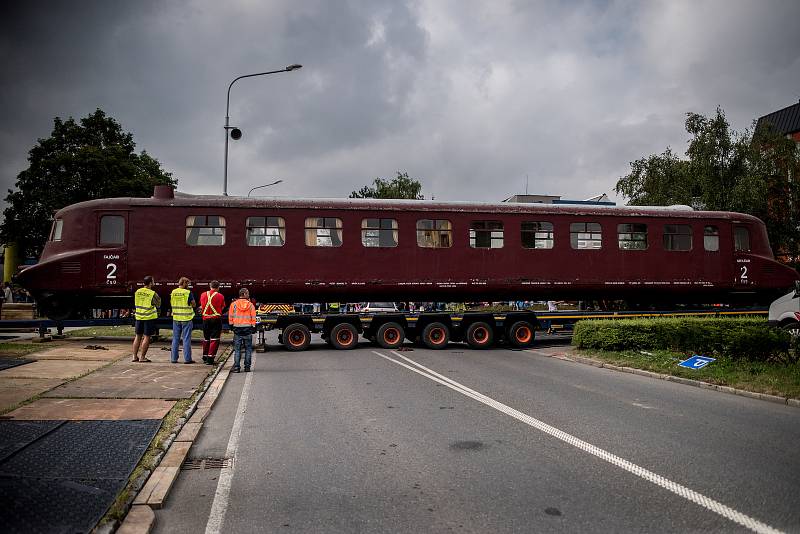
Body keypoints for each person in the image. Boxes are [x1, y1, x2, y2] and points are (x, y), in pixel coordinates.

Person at [132, 275, 160, 363]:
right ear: (150, 283)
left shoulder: (137, 292)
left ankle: (134, 356)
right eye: (153, 281)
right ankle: (142, 357)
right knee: (147, 337)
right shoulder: (152, 293)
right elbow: (158, 304)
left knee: (138, 336)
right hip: (148, 317)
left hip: (139, 317)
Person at [228, 287, 256, 373]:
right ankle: (247, 367)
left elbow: (230, 316)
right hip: (247, 329)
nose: (249, 295)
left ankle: (236, 368)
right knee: (248, 349)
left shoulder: (234, 304)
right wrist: (253, 326)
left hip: (237, 329)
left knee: (237, 349)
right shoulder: (250, 305)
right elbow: (253, 317)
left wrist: (231, 326)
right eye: (247, 293)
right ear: (243, 294)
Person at [170, 277, 196, 364]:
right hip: (186, 319)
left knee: (175, 339)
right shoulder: (188, 292)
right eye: (187, 284)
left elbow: (172, 303)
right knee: (186, 339)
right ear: (184, 283)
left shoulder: (173, 292)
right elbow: (193, 304)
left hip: (176, 318)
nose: (188, 285)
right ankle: (187, 359)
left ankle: (174, 359)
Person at [200, 280, 225, 365]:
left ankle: (205, 356)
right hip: (215, 319)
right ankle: (210, 358)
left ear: (210, 286)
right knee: (214, 339)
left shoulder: (203, 294)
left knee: (206, 338)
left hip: (205, 319)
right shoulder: (220, 296)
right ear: (218, 287)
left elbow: (202, 305)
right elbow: (222, 307)